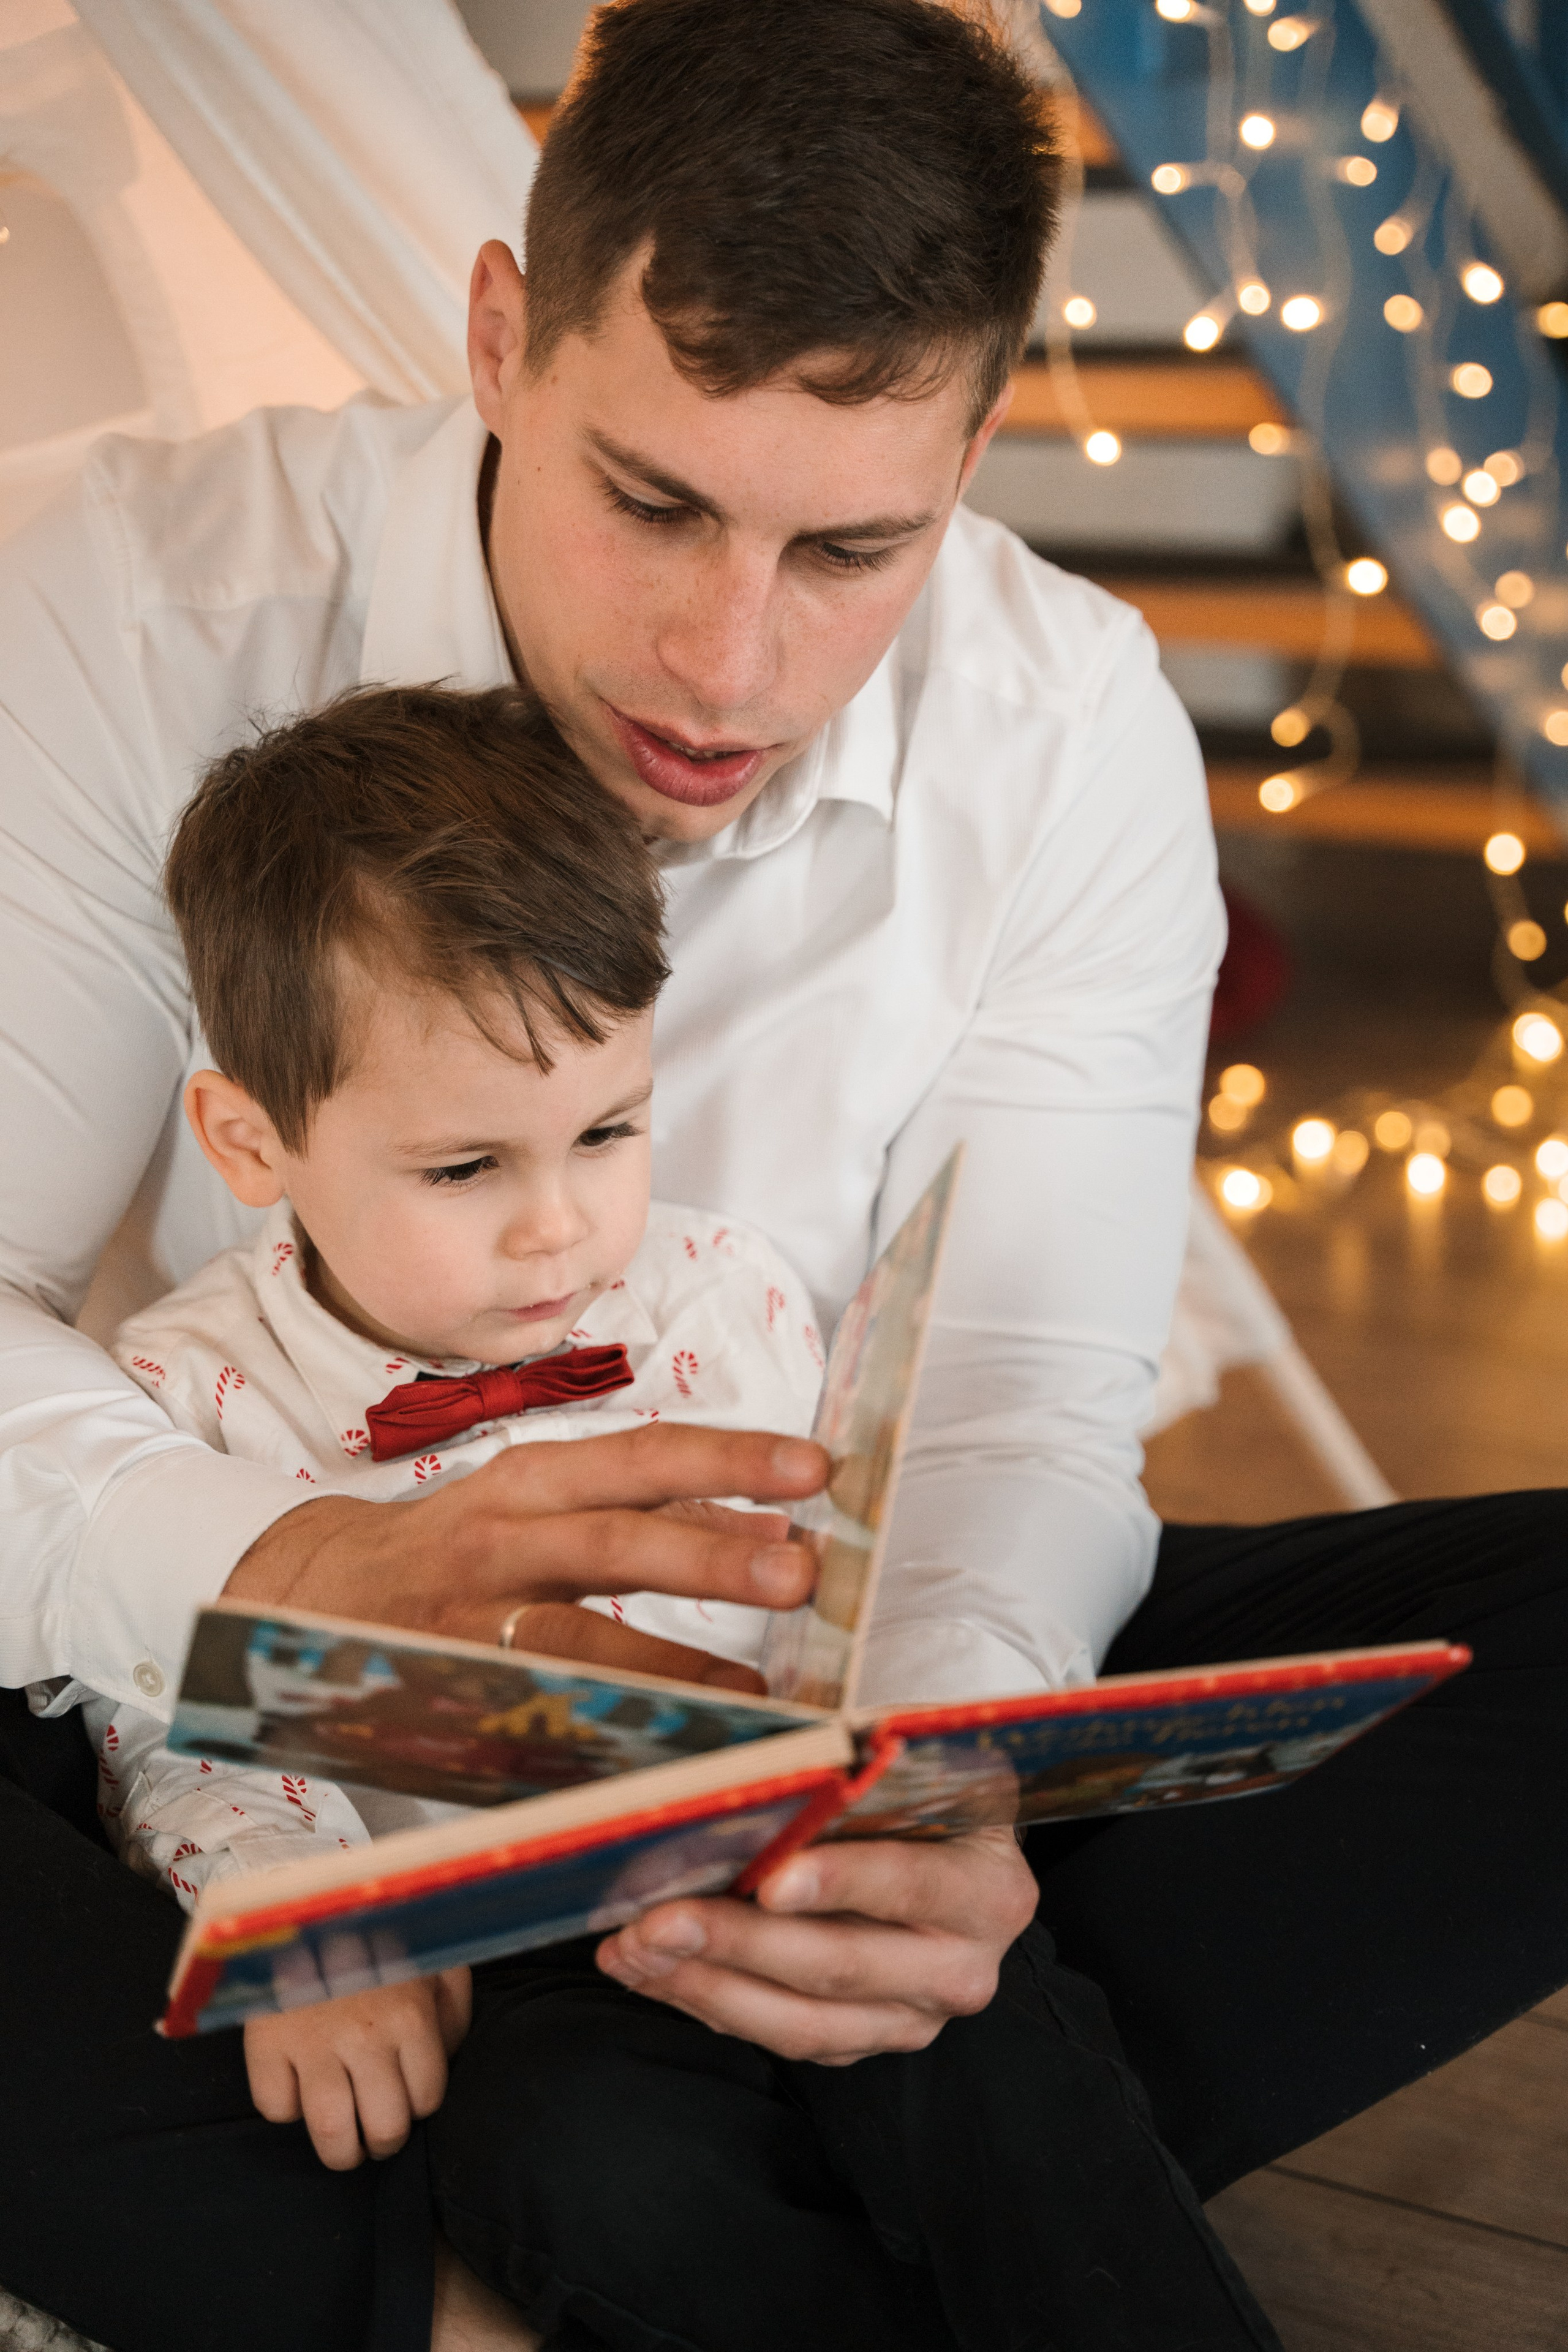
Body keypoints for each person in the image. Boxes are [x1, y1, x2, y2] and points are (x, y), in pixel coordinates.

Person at [0, 0, 1562, 2345]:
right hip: (228, 1740)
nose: (728, 666)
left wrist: (936, 1788)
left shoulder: (1062, 726)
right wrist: (291, 1571)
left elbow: (1020, 1392)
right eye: (653, 504)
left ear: (977, 445)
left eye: (853, 545)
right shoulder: (136, 600)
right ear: (503, 339)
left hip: (763, 1723)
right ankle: (492, 2266)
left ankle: (617, 2185)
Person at [80, 679, 1283, 2352]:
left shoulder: (724, 1291)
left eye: (608, 1130)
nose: (560, 1229)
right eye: (466, 1168)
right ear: (251, 1141)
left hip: (775, 1855)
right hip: (488, 1950)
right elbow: (174, 1721)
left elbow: (834, 1577)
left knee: (1002, 2068)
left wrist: (887, 1763)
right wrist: (303, 1915)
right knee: (587, 2170)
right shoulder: (183, 1391)